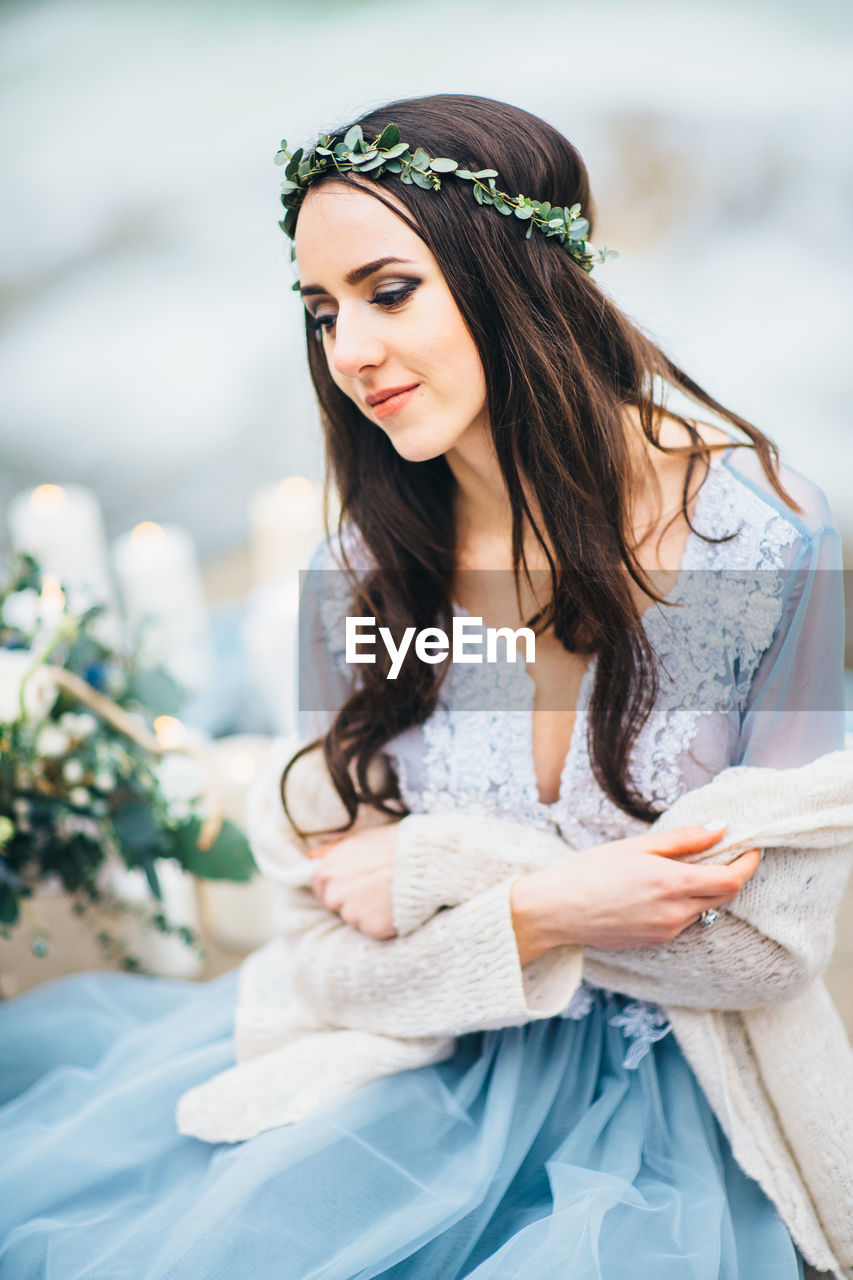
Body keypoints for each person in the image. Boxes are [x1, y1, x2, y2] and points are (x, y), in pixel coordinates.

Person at [0, 93, 849, 1280]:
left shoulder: (762, 544)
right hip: (397, 1074)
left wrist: (429, 877)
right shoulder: (359, 584)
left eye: (387, 291)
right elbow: (324, 961)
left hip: (677, 1116)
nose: (347, 353)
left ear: (519, 273)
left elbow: (766, 946)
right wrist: (552, 908)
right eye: (321, 311)